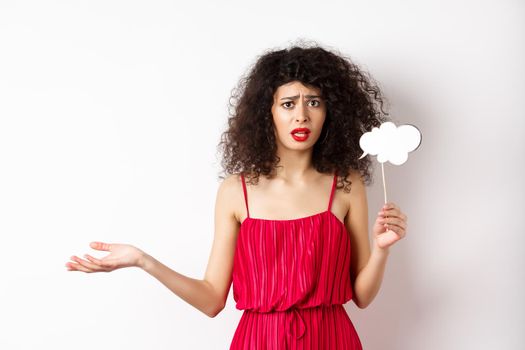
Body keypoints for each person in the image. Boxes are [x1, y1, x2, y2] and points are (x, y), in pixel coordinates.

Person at [65, 40, 408, 349]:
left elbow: (361, 296)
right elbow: (212, 299)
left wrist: (380, 250)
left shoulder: (346, 184)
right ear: (268, 112)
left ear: (330, 111)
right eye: (288, 103)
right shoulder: (235, 191)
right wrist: (143, 260)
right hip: (259, 342)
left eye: (313, 102)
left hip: (332, 341)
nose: (301, 115)